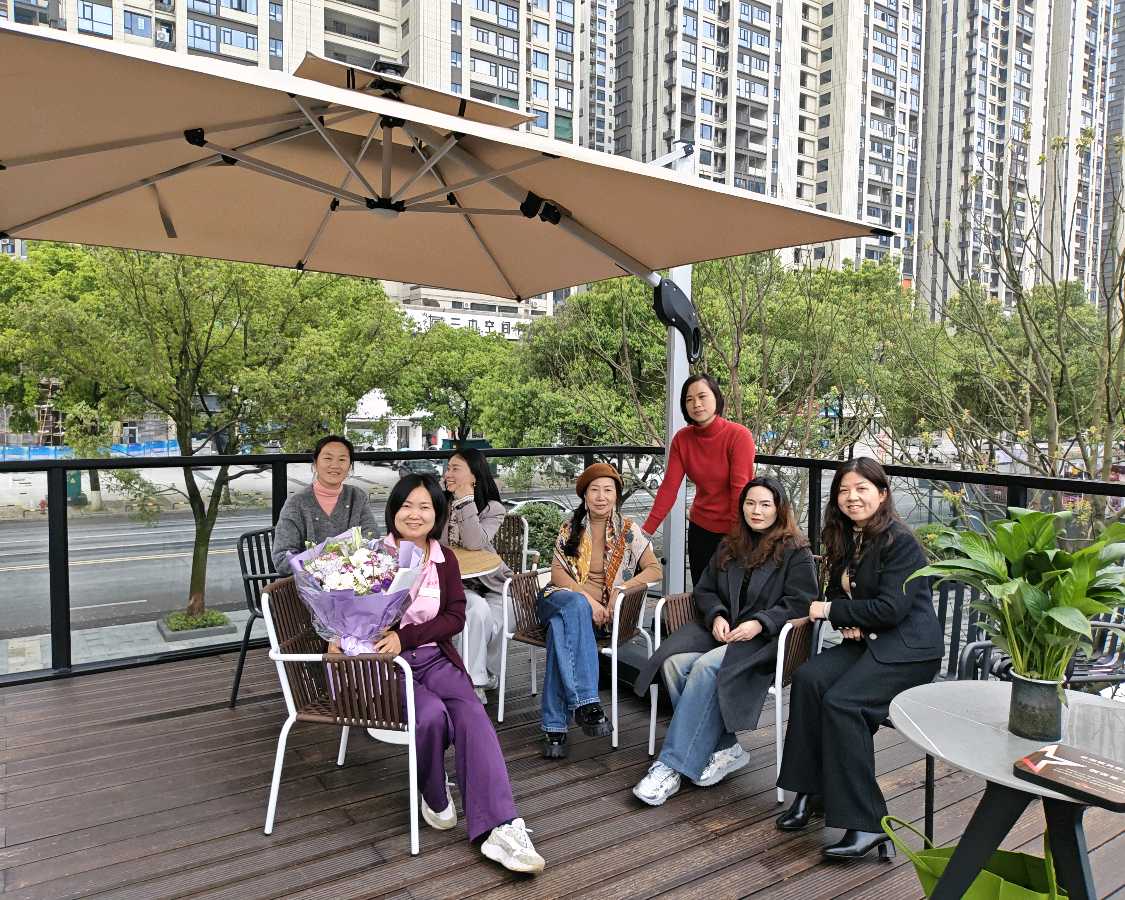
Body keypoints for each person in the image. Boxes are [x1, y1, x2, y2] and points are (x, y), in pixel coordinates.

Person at [363, 474, 544, 873]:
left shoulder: (444, 559)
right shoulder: (372, 557)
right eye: (406, 506)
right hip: (387, 667)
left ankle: (500, 826)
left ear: (437, 513)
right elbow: (354, 616)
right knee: (430, 715)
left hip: (433, 658)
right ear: (393, 510)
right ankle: (432, 790)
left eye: (424, 507)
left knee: (472, 715)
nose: (415, 514)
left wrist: (406, 636)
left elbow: (455, 617)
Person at [775, 458, 942, 861]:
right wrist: (847, 617)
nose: (852, 497)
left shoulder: (900, 541)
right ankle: (811, 792)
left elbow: (890, 609)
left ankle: (868, 823)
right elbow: (838, 591)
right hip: (870, 642)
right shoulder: (849, 536)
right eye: (844, 490)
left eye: (861, 489)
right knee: (810, 679)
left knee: (843, 703)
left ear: (882, 494)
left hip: (907, 651)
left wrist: (832, 612)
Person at [631, 477, 818, 805]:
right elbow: (705, 589)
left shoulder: (795, 551)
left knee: (705, 668)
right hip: (722, 632)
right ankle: (725, 747)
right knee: (673, 664)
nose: (756, 511)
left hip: (765, 641)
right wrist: (717, 615)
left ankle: (670, 766)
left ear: (779, 509)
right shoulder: (730, 544)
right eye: (750, 503)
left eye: (765, 504)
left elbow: (802, 602)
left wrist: (759, 623)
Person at [539, 462, 663, 759]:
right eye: (594, 490)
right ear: (585, 495)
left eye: (608, 490)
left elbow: (654, 569)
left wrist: (623, 588)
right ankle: (587, 702)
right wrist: (589, 601)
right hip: (559, 599)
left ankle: (554, 728)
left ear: (616, 495)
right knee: (573, 606)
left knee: (559, 631)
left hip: (594, 619)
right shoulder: (570, 528)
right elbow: (557, 575)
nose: (601, 496)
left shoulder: (628, 531)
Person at [642, 374, 756, 586]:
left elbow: (739, 492)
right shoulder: (682, 439)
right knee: (702, 594)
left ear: (716, 398)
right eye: (689, 399)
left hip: (736, 531)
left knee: (734, 596)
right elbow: (668, 489)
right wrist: (645, 532)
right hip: (700, 529)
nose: (696, 404)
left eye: (702, 396)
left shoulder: (739, 436)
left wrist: (737, 540)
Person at [442, 448, 512, 703]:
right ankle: (475, 683)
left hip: (494, 583)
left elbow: (474, 542)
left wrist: (465, 502)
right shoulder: (439, 505)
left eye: (455, 468)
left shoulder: (493, 508)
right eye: (448, 468)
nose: (448, 473)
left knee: (499, 619)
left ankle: (485, 673)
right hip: (456, 584)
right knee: (476, 612)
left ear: (474, 476)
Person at [272, 435, 377, 575]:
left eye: (342, 459)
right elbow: (282, 561)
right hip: (308, 585)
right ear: (315, 464)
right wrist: (329, 556)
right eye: (328, 458)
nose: (335, 465)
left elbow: (372, 541)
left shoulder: (357, 497)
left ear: (350, 467)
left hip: (355, 581)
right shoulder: (296, 503)